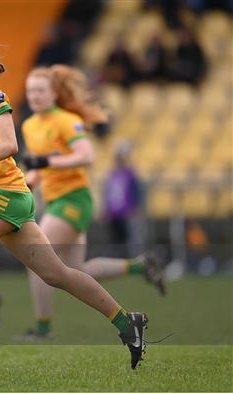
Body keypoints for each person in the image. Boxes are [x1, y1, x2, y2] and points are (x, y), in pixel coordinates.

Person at [0, 25, 148, 370]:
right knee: (57, 274)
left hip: (4, 194)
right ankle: (126, 321)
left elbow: (9, 145)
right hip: (3, 196)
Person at [20, 66, 165, 341]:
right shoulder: (29, 125)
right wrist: (30, 181)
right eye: (30, 91)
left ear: (54, 93)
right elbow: (41, 166)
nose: (34, 95)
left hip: (74, 199)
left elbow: (86, 156)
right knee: (76, 271)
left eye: (40, 90)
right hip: (56, 201)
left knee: (35, 257)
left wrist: (46, 162)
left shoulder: (65, 120)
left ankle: (42, 328)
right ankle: (139, 266)